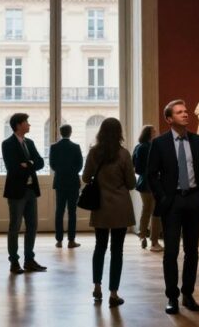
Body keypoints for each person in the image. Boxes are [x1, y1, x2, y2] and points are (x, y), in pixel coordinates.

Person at [147, 99, 199, 315]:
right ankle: (172, 297)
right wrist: (163, 198)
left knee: (192, 251)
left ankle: (188, 294)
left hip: (194, 200)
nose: (185, 114)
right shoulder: (160, 143)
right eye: (179, 112)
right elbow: (151, 175)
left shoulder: (198, 141)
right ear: (169, 119)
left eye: (185, 111)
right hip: (172, 202)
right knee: (171, 252)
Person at [83, 117, 136, 307]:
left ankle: (97, 286)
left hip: (100, 207)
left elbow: (85, 177)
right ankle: (113, 293)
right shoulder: (124, 154)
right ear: (119, 133)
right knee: (117, 250)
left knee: (99, 247)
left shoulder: (94, 153)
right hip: (120, 207)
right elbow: (131, 183)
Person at [2, 112, 46, 274]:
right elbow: (12, 168)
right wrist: (30, 164)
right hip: (16, 192)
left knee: (32, 226)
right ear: (19, 125)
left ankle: (29, 260)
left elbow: (40, 162)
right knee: (14, 227)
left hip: (31, 190)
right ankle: (14, 262)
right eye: (26, 122)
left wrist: (27, 164)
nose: (29, 125)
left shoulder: (30, 142)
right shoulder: (7, 144)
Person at [50, 123, 83, 248]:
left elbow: (52, 165)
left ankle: (59, 240)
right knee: (72, 212)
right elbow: (80, 164)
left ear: (60, 132)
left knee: (59, 210)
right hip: (73, 182)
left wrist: (61, 171)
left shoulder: (54, 147)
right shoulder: (75, 147)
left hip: (59, 182)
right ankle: (71, 240)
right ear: (70, 132)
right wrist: (71, 172)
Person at [132, 125, 162, 251]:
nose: (157, 132)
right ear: (150, 134)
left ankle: (142, 234)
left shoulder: (138, 147)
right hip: (153, 182)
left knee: (146, 209)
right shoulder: (152, 147)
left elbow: (135, 167)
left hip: (142, 182)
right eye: (155, 131)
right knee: (156, 212)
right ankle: (154, 241)